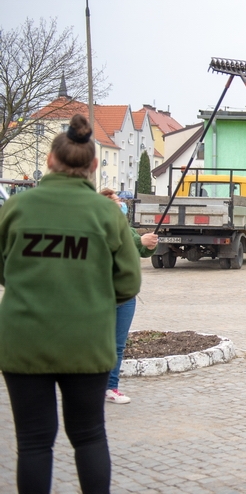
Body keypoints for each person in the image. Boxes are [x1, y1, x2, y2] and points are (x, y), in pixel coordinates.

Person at [0, 114, 142, 493]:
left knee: (32, 441)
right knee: (90, 435)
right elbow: (129, 281)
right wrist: (91, 293)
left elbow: (3, 269)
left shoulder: (15, 209)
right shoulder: (107, 213)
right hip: (86, 343)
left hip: (23, 341)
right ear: (94, 165)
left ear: (49, 160)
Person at [100, 188, 159, 403]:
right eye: (114, 201)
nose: (120, 203)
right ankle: (92, 386)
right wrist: (138, 242)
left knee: (118, 344)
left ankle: (111, 387)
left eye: (119, 199)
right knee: (99, 343)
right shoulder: (99, 228)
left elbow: (141, 250)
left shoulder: (128, 228)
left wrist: (150, 244)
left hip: (126, 297)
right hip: (103, 296)